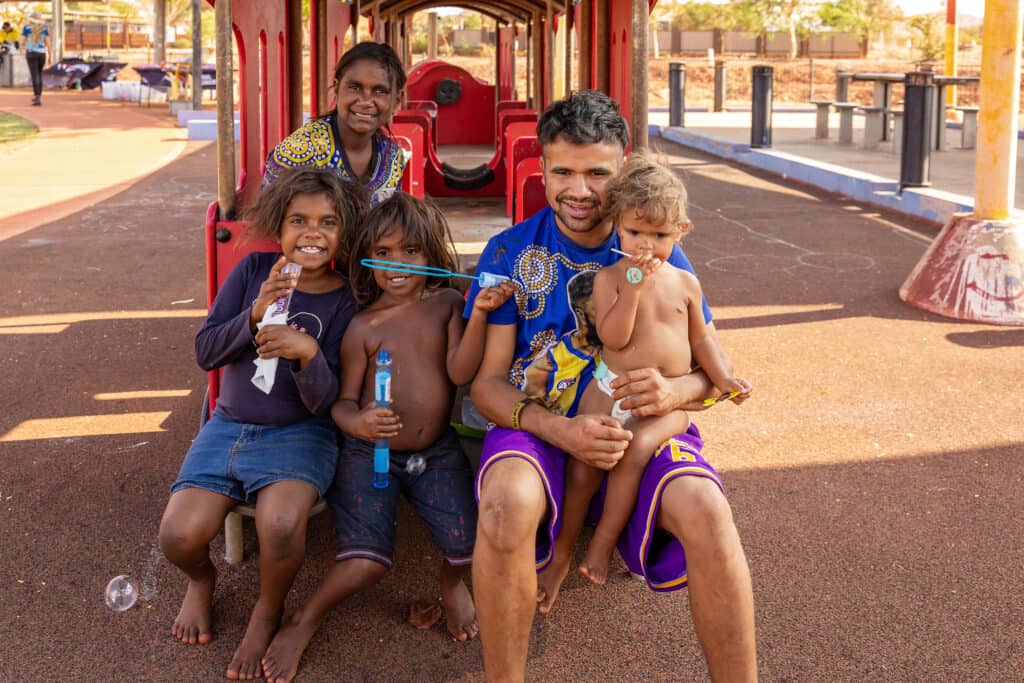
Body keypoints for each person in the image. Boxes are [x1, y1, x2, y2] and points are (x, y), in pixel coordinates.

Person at [463, 90, 758, 681]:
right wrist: (561, 429)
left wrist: (677, 394)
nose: (580, 189)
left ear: (621, 168)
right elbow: (486, 385)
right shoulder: (510, 250)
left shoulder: (666, 254)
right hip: (541, 426)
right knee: (504, 507)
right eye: (563, 171)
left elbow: (707, 368)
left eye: (597, 172)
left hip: (640, 428)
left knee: (707, 511)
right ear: (541, 168)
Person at [261, 193, 514, 683]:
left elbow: (460, 369)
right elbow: (343, 402)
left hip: (436, 452)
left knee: (470, 549)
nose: (397, 264)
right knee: (366, 563)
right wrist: (356, 423)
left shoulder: (446, 305)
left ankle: (449, 586)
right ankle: (304, 617)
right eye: (384, 252)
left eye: (411, 251)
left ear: (431, 255)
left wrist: (478, 314)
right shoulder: (363, 326)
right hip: (368, 452)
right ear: (367, 258)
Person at [158, 167, 369, 681]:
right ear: (280, 224)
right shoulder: (253, 272)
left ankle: (268, 609)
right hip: (228, 426)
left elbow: (327, 404)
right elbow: (206, 352)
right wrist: (253, 315)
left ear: (345, 232)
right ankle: (202, 580)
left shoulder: (347, 300)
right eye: (299, 220)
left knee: (279, 526)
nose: (312, 233)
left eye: (328, 222)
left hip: (301, 435)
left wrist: (309, 353)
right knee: (178, 537)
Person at [554, 152, 752, 589]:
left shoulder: (686, 283)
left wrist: (724, 380)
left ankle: (604, 542)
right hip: (611, 389)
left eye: (659, 234)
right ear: (617, 227)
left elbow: (703, 341)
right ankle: (562, 549)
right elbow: (613, 339)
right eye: (634, 232)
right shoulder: (610, 278)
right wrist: (632, 289)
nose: (645, 245)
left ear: (681, 231)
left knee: (638, 448)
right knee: (584, 468)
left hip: (667, 405)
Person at [263, 41, 407, 205]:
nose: (366, 101)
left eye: (379, 91)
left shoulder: (392, 156)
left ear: (397, 100)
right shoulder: (298, 153)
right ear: (337, 89)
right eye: (355, 87)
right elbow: (270, 225)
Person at [21, 12, 49, 106]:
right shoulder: (44, 28)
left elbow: (22, 41)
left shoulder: (26, 28)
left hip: (31, 53)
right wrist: (50, 56)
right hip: (42, 54)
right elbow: (48, 43)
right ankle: (38, 96)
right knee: (39, 74)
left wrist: (22, 48)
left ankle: (37, 97)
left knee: (34, 75)